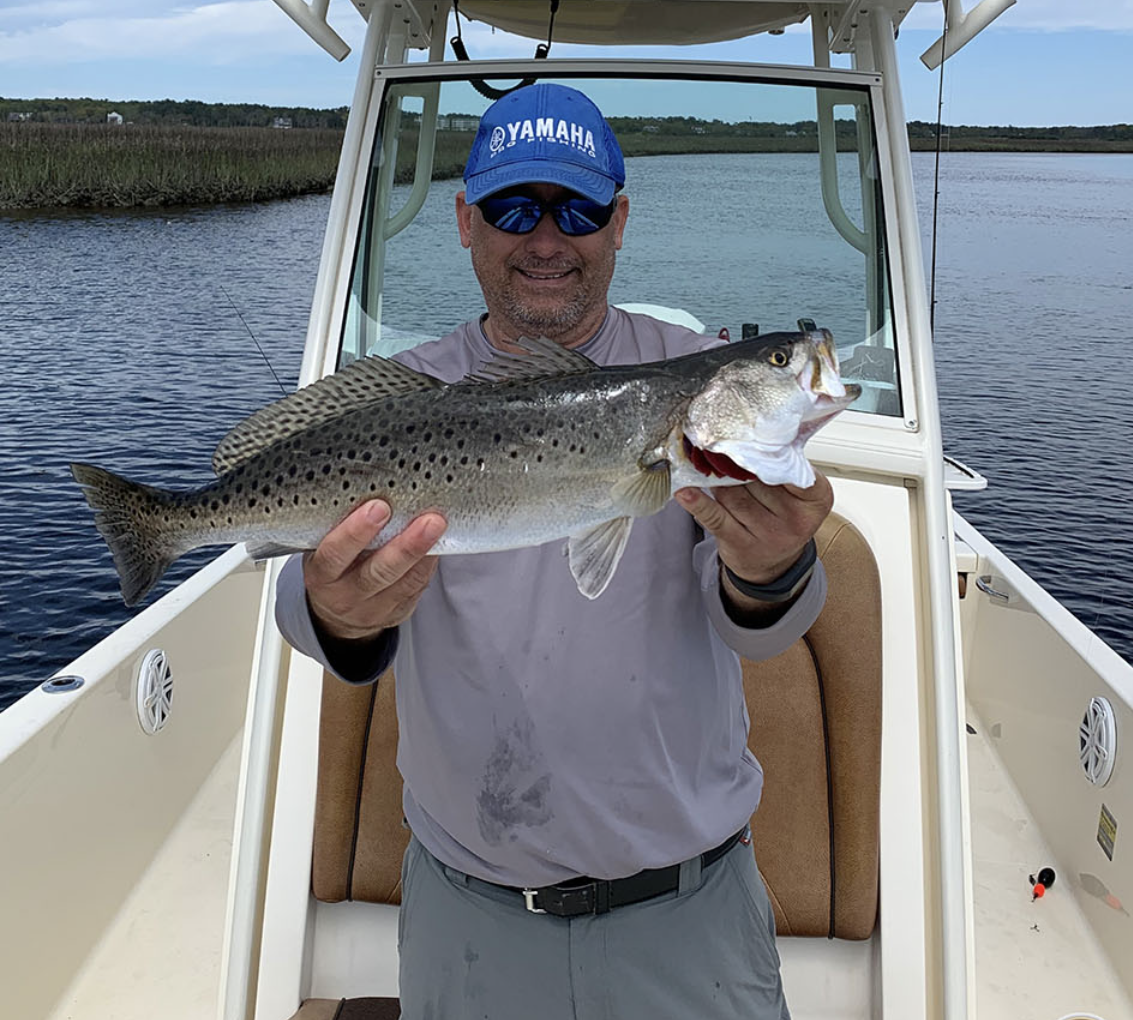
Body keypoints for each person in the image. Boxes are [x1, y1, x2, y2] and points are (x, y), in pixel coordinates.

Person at [275, 82, 835, 1019]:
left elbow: (764, 632)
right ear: (463, 221)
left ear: (618, 223)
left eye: (576, 209)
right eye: (512, 208)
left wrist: (771, 568)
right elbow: (306, 608)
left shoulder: (696, 383)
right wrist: (337, 611)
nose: (545, 239)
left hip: (689, 910)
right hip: (468, 915)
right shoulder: (397, 404)